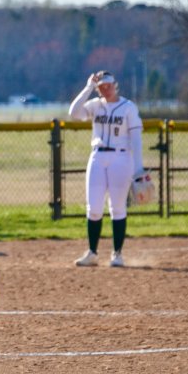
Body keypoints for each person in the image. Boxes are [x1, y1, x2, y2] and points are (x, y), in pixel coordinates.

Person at [68, 70, 144, 268]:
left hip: (121, 157)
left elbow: (136, 139)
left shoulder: (128, 107)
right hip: (98, 156)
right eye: (102, 87)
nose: (106, 89)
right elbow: (74, 113)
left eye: (108, 86)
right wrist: (88, 88)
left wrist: (139, 168)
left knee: (117, 208)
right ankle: (92, 253)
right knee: (93, 208)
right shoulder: (95, 105)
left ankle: (117, 254)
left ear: (115, 85)